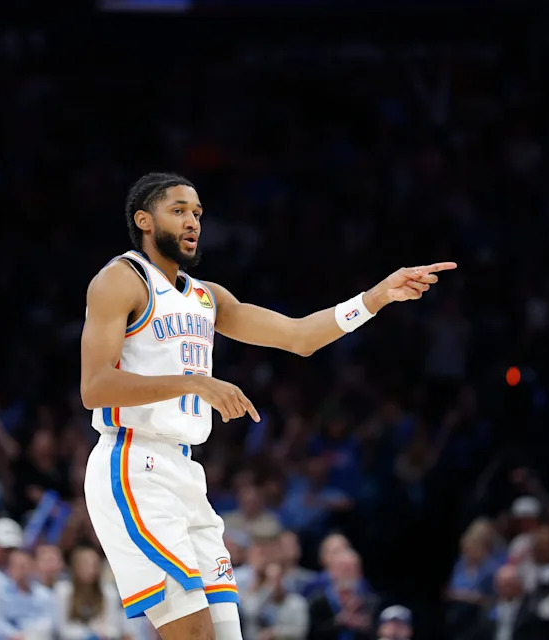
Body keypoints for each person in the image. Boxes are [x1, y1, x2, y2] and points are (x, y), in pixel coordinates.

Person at [80, 172, 455, 640]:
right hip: (133, 463)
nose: (193, 221)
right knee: (193, 634)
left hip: (184, 472)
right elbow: (94, 387)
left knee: (226, 633)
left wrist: (376, 298)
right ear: (145, 220)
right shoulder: (121, 280)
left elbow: (300, 337)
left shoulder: (206, 297)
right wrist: (195, 383)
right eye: (178, 210)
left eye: (197, 212)